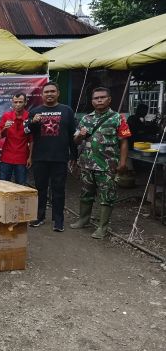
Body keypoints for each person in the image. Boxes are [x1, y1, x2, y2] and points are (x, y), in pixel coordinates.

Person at [71, 87, 131, 239]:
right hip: (87, 164)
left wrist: (123, 163)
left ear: (109, 99)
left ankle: (102, 227)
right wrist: (80, 136)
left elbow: (124, 142)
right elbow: (76, 140)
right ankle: (83, 219)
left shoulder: (118, 118)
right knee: (86, 193)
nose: (99, 100)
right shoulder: (86, 119)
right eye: (96, 98)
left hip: (107, 166)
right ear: (92, 101)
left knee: (107, 196)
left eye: (102, 97)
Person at [27, 82, 77, 232]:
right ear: (42, 94)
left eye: (52, 91)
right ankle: (39, 216)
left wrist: (74, 155)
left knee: (59, 190)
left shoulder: (67, 110)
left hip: (60, 157)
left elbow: (72, 134)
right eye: (46, 92)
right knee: (40, 189)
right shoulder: (35, 111)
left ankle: (58, 220)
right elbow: (27, 132)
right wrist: (33, 122)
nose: (49, 94)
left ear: (58, 93)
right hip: (40, 157)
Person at [0, 93, 32, 185]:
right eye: (15, 102)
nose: (17, 104)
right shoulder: (6, 116)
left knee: (20, 185)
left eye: (20, 102)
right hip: (7, 156)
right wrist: (5, 128)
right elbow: (0, 135)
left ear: (25, 103)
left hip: (22, 157)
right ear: (12, 103)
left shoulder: (29, 116)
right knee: (3, 184)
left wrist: (30, 157)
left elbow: (32, 140)